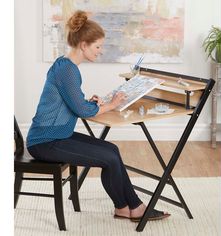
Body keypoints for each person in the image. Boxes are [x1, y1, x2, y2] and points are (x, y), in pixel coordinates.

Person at [26, 10, 170, 222]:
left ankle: (126, 208)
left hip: (55, 135)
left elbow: (73, 102)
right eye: (98, 47)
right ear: (84, 45)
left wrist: (90, 102)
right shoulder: (68, 70)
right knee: (109, 158)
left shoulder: (64, 65)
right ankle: (132, 207)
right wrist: (112, 105)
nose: (100, 51)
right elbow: (82, 111)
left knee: (112, 150)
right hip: (45, 142)